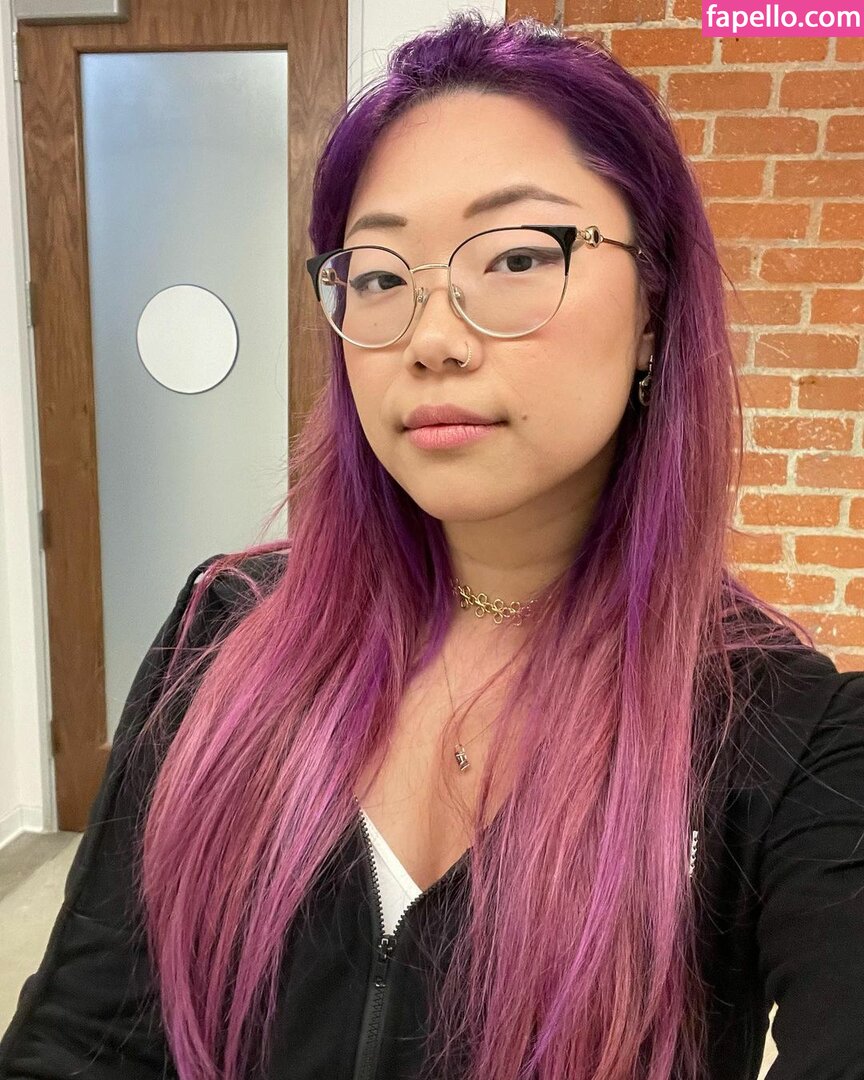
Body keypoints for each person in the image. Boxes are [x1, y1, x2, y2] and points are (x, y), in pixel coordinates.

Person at [2, 10, 863, 1080]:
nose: (433, 338)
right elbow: (83, 1038)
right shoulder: (224, 632)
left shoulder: (783, 731)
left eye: (515, 257)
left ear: (653, 306)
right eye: (378, 276)